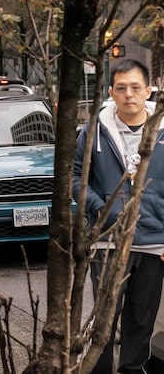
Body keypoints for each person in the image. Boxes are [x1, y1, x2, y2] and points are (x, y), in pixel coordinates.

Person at [73, 58, 164, 374]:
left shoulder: (163, 131)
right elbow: (75, 177)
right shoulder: (94, 131)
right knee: (104, 320)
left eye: (136, 87)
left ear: (148, 90)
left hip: (154, 242)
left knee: (141, 319)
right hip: (108, 242)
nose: (129, 95)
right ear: (111, 92)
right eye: (121, 88)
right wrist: (100, 208)